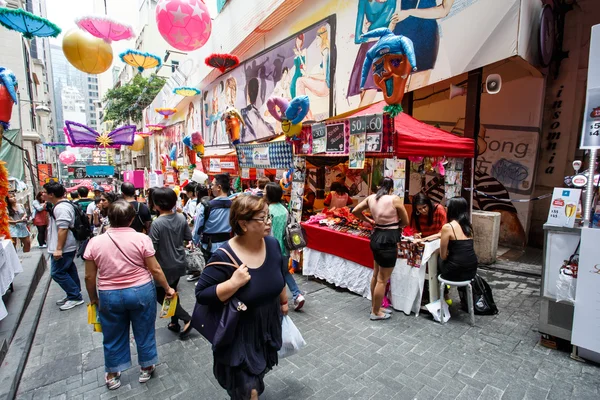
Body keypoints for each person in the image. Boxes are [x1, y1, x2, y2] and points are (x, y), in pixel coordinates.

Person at [195, 195, 287, 400]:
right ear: (243, 224)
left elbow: (280, 273)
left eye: (268, 216)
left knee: (258, 372)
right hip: (239, 332)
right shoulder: (224, 255)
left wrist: (284, 301)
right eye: (263, 218)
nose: (269, 222)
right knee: (249, 391)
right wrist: (233, 283)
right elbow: (201, 294)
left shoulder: (272, 244)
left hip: (267, 324)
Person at [83, 200, 176, 390]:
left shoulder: (95, 242)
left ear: (109, 217)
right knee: (144, 330)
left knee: (112, 334)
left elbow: (89, 276)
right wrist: (167, 288)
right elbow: (155, 269)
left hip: (109, 294)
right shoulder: (142, 239)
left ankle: (113, 373)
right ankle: (146, 366)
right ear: (132, 219)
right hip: (141, 291)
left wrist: (93, 297)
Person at [352, 178, 409, 320]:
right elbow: (406, 221)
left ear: (379, 186)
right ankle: (375, 312)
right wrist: (395, 225)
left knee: (376, 275)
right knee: (382, 279)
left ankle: (375, 307)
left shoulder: (371, 198)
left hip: (376, 237)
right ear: (391, 188)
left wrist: (370, 221)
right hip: (388, 240)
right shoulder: (394, 199)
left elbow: (355, 211)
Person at [149, 188, 194, 339]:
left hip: (164, 266)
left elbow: (152, 249)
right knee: (172, 290)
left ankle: (187, 318)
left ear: (157, 204)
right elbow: (188, 237)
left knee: (160, 294)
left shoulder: (157, 224)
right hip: (179, 262)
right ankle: (174, 322)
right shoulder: (181, 217)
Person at [43, 181, 84, 311]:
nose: (42, 194)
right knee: (69, 269)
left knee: (57, 272)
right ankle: (73, 293)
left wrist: (58, 248)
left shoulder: (61, 208)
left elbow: (63, 229)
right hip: (65, 246)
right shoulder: (60, 205)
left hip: (65, 247)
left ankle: (75, 296)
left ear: (51, 194)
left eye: (44, 192)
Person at [265, 182, 306, 311]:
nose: (263, 193)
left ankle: (276, 300)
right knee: (284, 272)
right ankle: (297, 295)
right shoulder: (284, 209)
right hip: (285, 249)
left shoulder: (268, 211)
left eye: (265, 191)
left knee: (273, 274)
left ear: (270, 194)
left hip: (271, 249)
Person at [189, 174, 233, 282]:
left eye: (212, 185)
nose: (211, 187)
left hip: (209, 247)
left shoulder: (206, 206)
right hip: (229, 246)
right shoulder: (234, 205)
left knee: (211, 276)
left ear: (219, 187)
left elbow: (198, 228)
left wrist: (194, 241)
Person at [439, 197, 478, 283]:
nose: (445, 208)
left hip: (454, 272)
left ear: (451, 209)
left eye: (446, 206)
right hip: (472, 270)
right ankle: (463, 294)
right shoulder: (468, 226)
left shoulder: (448, 227)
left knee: (438, 259)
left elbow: (443, 256)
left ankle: (442, 292)